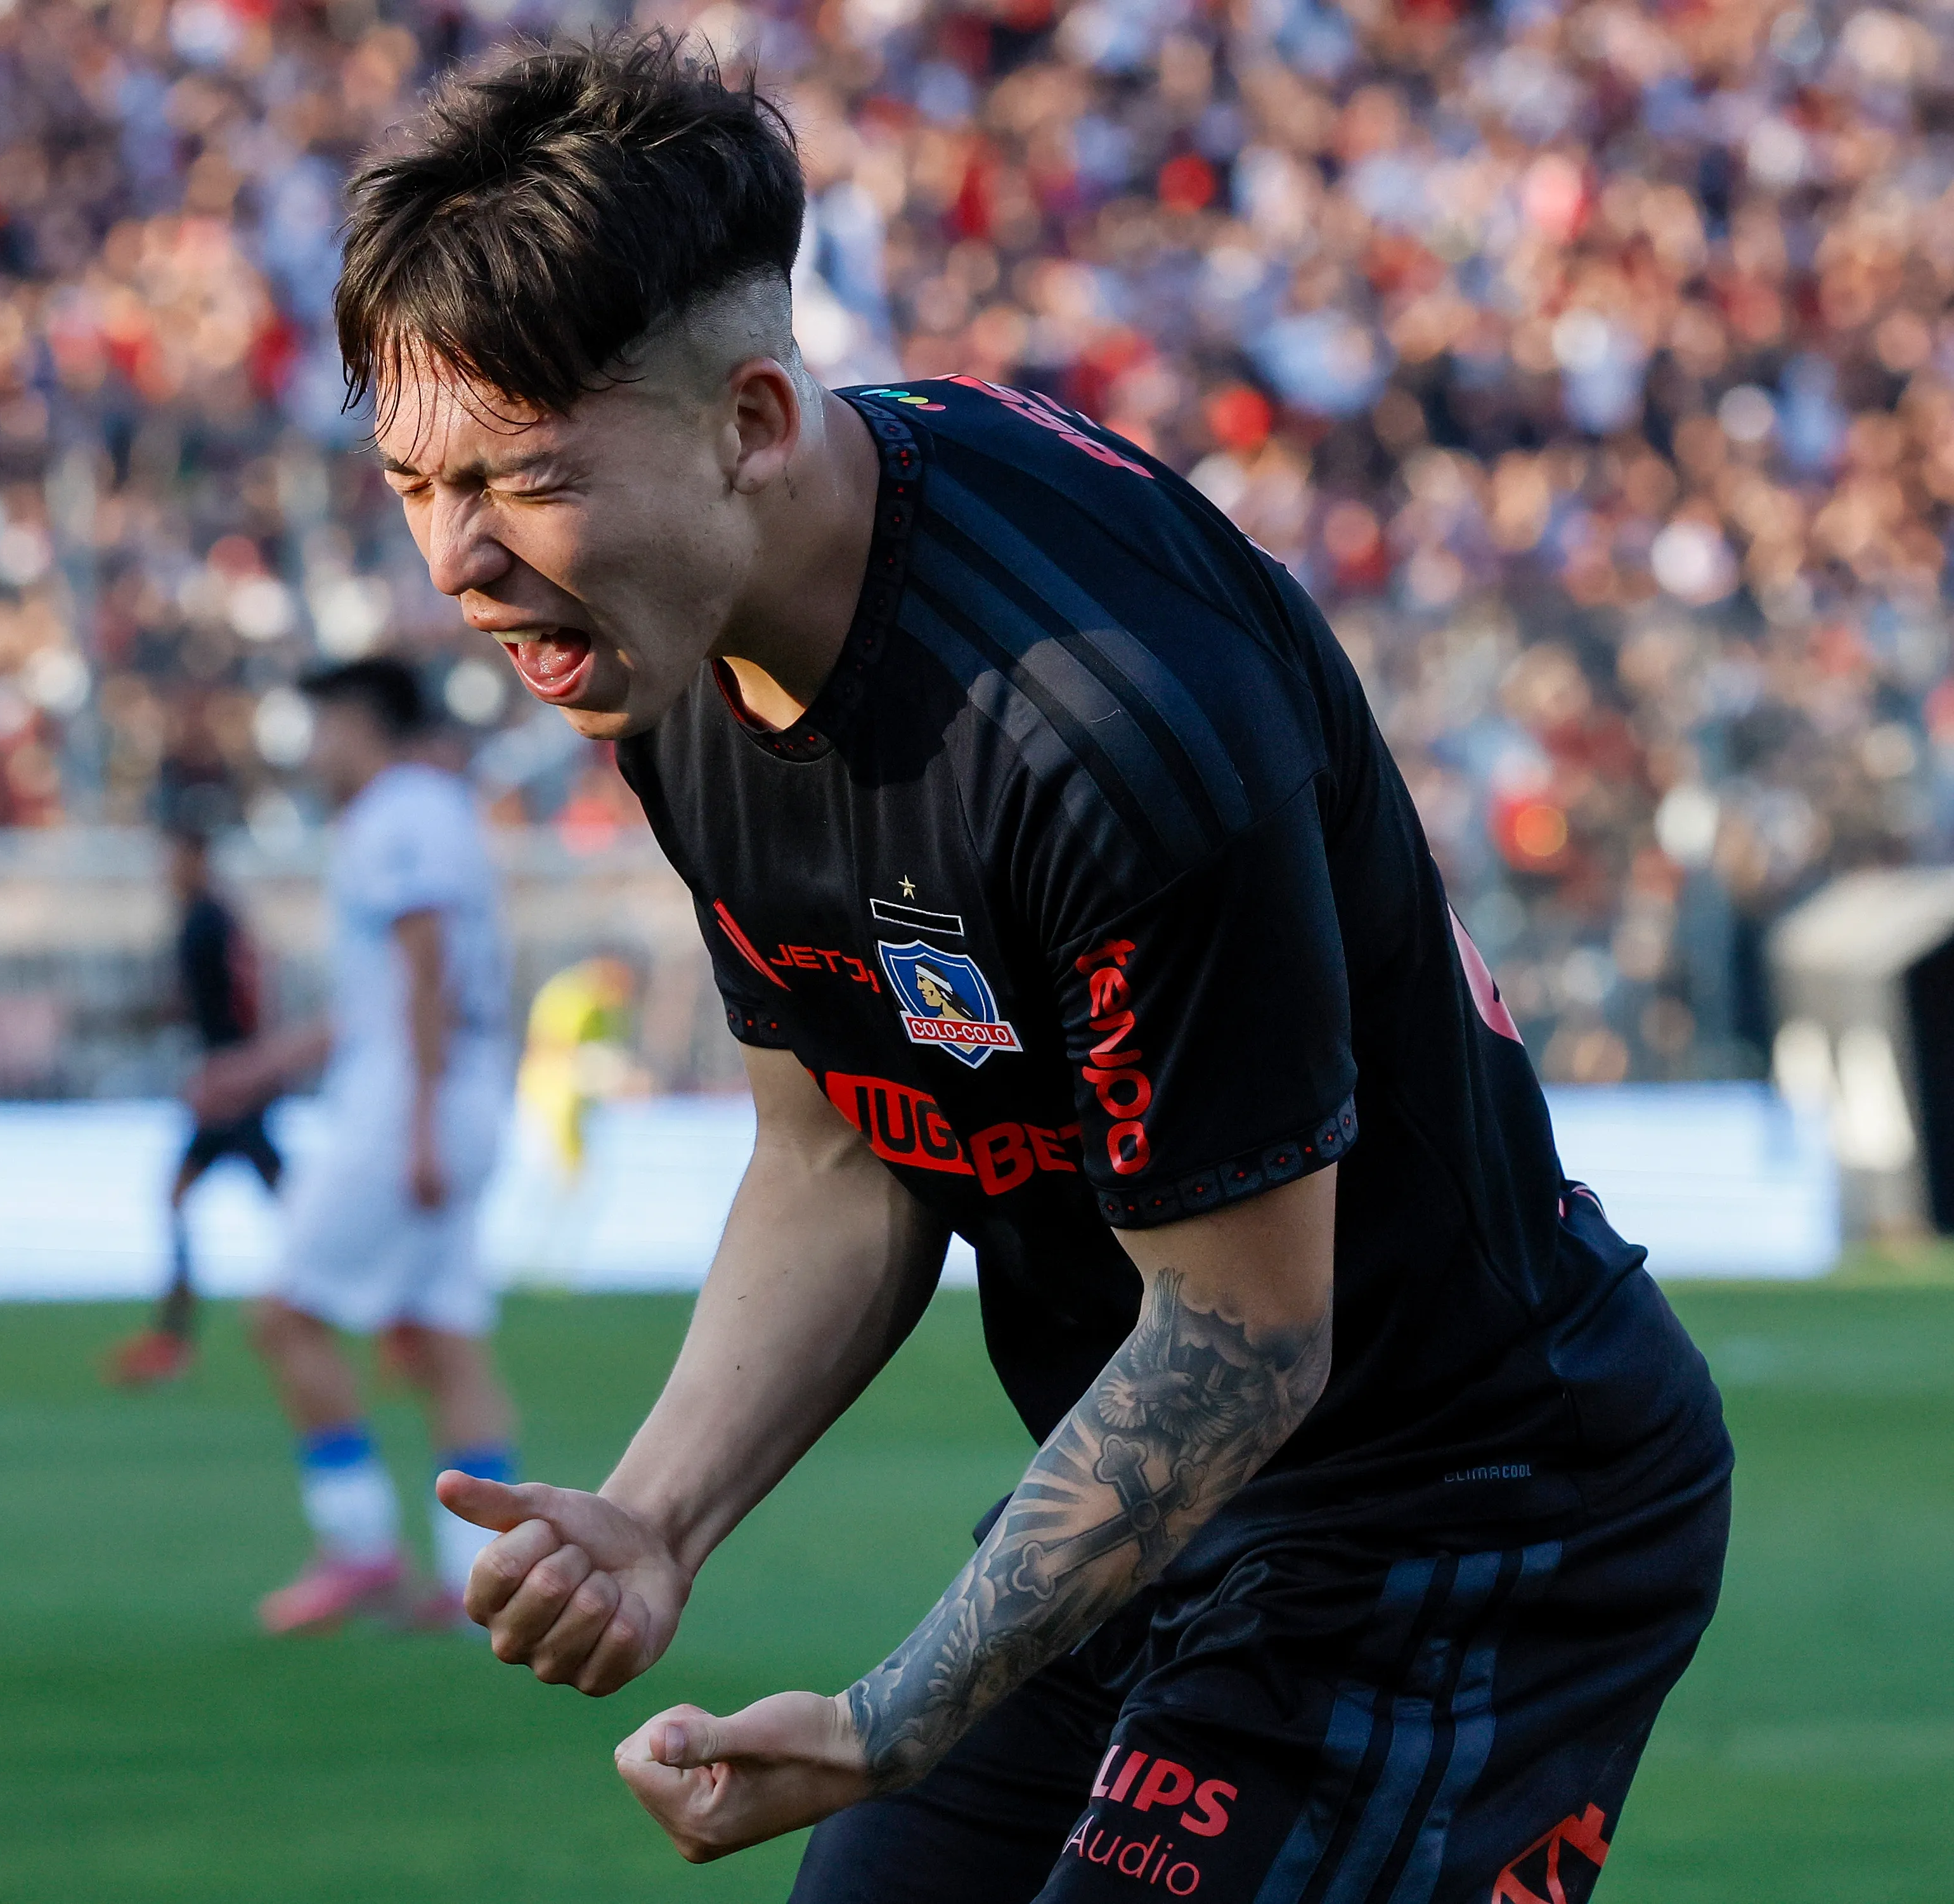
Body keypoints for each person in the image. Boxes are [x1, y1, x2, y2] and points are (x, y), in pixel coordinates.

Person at [339, 35, 1734, 1902]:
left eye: (517, 480)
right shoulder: (668, 638)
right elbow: (839, 1146)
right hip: (1166, 1496)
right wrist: (655, 1514)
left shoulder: (1098, 733)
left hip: (1462, 1514)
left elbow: (1245, 1334)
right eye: (416, 484)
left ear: (750, 419)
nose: (459, 561)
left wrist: (889, 1711)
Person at [190, 657, 522, 1635]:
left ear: (358, 722)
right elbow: (382, 998)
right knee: (442, 1338)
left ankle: (359, 1546)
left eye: (321, 725)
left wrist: (416, 1123)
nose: (311, 748)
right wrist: (260, 1068)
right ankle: (480, 1582)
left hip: (410, 1103)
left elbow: (425, 973)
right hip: (452, 1092)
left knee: (285, 1314)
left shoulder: (396, 814)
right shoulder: (438, 808)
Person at [105, 819, 286, 1387]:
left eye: (175, 856)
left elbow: (226, 999)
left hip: (229, 1083)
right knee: (278, 1206)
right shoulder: (219, 916)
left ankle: (175, 1338)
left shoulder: (204, 921)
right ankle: (173, 1336)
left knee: (280, 1209)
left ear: (196, 858)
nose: (167, 869)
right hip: (237, 1077)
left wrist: (239, 1066)